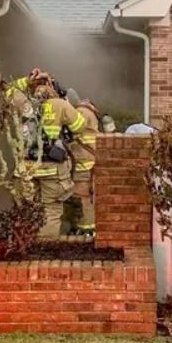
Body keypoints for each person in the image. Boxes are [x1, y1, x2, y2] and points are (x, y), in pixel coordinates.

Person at [10, 73, 86, 238]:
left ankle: (25, 244)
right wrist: (62, 99)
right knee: (51, 210)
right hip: (52, 169)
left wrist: (26, 81)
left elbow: (7, 91)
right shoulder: (59, 104)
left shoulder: (24, 104)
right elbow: (80, 126)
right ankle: (45, 248)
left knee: (26, 209)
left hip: (26, 169)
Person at [64, 88, 100, 235]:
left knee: (84, 196)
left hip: (85, 163)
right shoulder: (84, 110)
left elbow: (73, 130)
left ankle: (88, 229)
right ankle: (80, 226)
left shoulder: (81, 113)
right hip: (83, 162)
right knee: (79, 196)